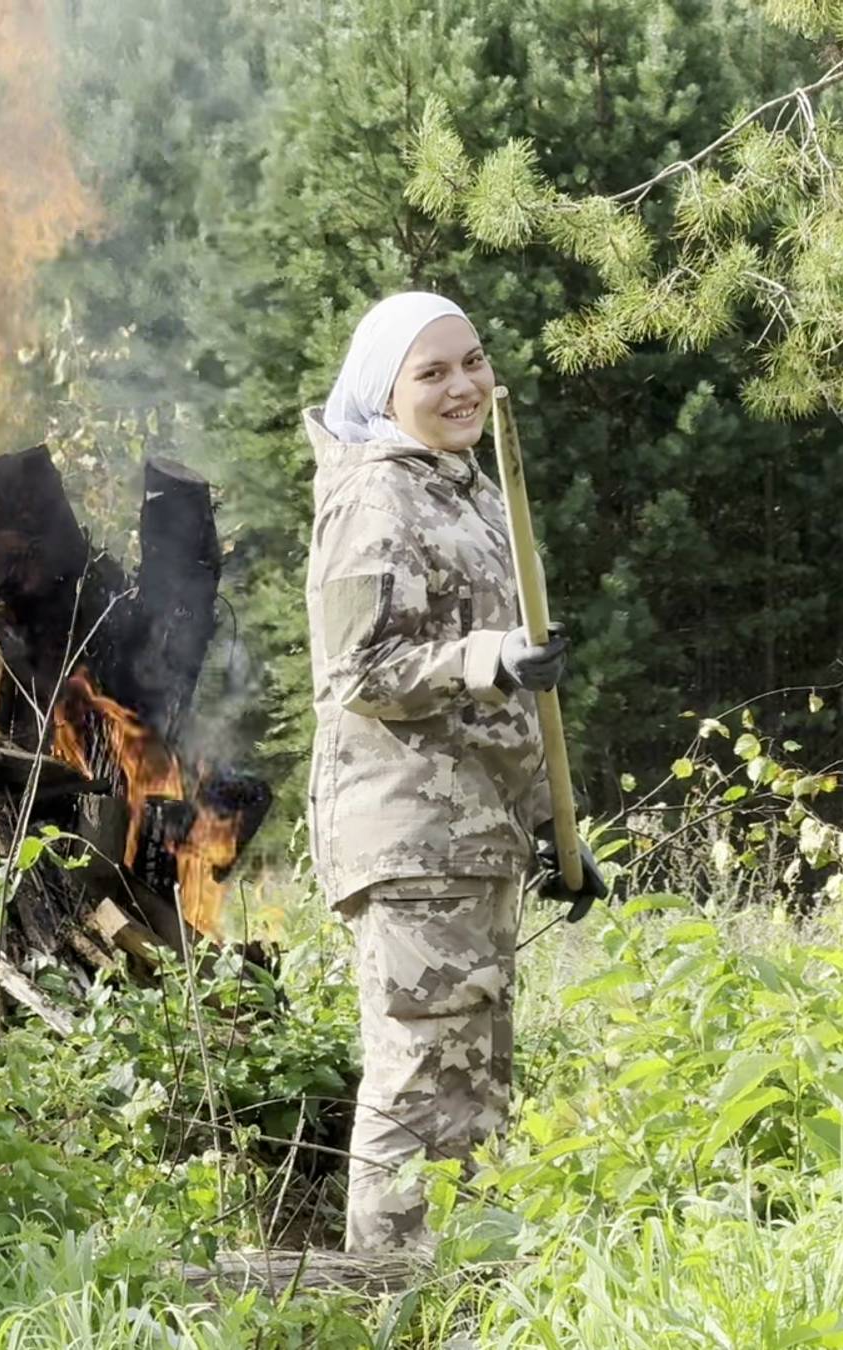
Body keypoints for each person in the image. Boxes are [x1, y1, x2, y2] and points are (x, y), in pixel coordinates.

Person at [302, 290, 607, 1254]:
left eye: (471, 361)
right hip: (410, 839)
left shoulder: (467, 486)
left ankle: (462, 1295)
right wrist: (489, 658)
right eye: (431, 373)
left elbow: (513, 700)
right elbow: (353, 671)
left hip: (475, 834)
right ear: (383, 393)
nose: (463, 385)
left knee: (473, 1085)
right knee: (418, 1082)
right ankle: (384, 1298)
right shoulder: (373, 494)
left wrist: (557, 828)